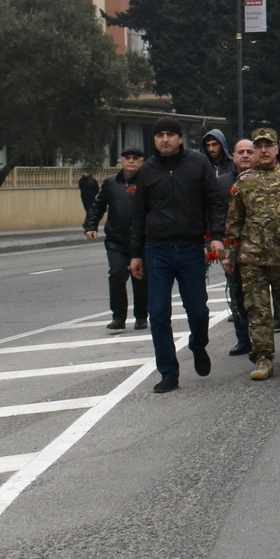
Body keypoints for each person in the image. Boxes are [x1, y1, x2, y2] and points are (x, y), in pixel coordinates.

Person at [128, 116, 227, 393]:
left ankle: (198, 345)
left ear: (180, 138)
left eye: (171, 134)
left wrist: (217, 236)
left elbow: (214, 202)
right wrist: (135, 254)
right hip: (156, 251)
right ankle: (169, 372)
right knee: (158, 314)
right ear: (155, 139)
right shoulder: (147, 170)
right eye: (160, 135)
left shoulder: (198, 164)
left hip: (191, 249)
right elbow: (138, 214)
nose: (165, 139)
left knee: (197, 309)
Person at [226, 128, 280, 380]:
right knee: (257, 309)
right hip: (252, 258)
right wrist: (230, 253)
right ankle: (263, 357)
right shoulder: (244, 181)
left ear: (276, 149)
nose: (263, 150)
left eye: (268, 145)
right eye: (258, 146)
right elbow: (234, 221)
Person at [83, 145, 149, 331]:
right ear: (121, 160)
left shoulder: (147, 182)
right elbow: (98, 205)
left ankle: (141, 316)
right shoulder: (111, 183)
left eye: (135, 158)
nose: (130, 161)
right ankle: (118, 317)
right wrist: (91, 226)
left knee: (140, 277)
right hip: (116, 240)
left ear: (141, 162)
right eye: (127, 157)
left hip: (141, 240)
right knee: (117, 273)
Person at [221, 138, 256, 357]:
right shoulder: (222, 183)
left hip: (264, 248)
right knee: (237, 294)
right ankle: (243, 339)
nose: (245, 155)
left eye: (249, 151)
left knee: (262, 298)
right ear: (233, 156)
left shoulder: (265, 179)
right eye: (240, 151)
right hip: (234, 248)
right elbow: (215, 213)